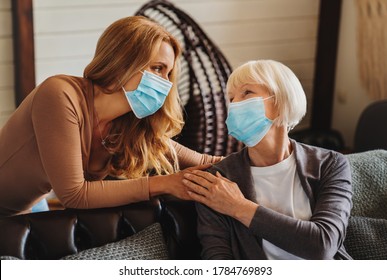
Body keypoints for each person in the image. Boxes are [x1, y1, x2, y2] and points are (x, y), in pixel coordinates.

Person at [0, 16, 221, 217]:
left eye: (168, 73)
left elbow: (203, 161)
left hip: (29, 206)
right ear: (123, 61)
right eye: (157, 68)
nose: (165, 82)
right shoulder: (59, 94)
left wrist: (250, 160)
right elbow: (74, 194)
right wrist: (165, 183)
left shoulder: (126, 123)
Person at [183, 60, 353, 259]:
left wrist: (238, 207)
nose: (235, 104)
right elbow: (217, 259)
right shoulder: (217, 180)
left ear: (281, 102)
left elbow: (323, 245)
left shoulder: (330, 164)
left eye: (247, 93)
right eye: (231, 98)